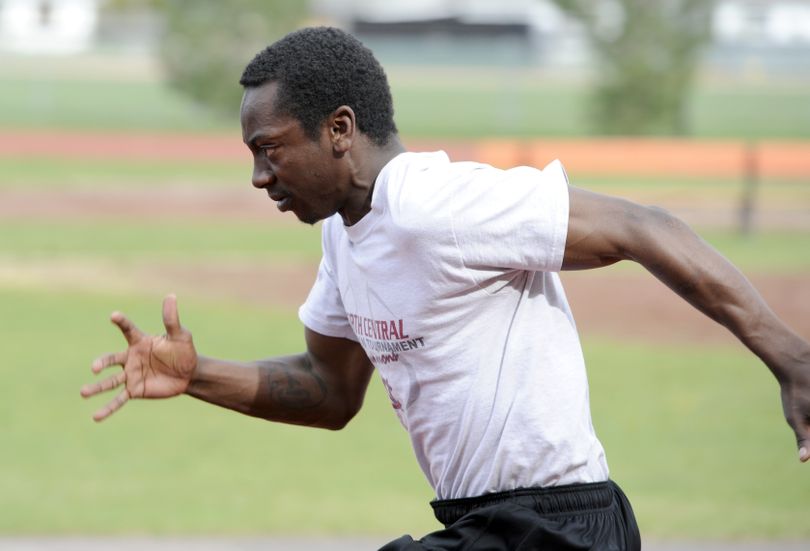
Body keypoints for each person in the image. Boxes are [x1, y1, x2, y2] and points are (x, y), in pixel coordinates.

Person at [81, 26, 809, 550]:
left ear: (340, 128)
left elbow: (643, 226)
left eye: (269, 150)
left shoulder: (438, 205)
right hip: (489, 525)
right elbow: (329, 390)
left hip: (561, 524)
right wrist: (196, 374)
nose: (258, 178)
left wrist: (793, 361)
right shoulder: (345, 234)